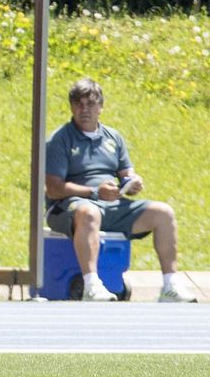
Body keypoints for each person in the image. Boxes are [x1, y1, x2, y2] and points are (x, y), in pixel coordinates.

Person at [45, 78, 196, 303]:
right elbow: (54, 188)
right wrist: (95, 192)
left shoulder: (113, 138)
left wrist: (132, 183)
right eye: (78, 104)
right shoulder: (60, 139)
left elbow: (126, 172)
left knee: (163, 213)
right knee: (89, 213)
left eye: (91, 103)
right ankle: (91, 284)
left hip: (112, 205)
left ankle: (170, 285)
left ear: (101, 107)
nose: (84, 109)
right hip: (70, 206)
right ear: (71, 107)